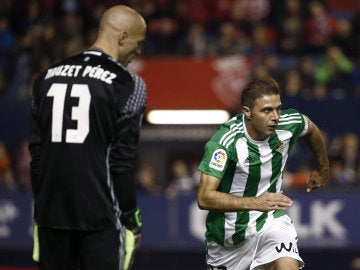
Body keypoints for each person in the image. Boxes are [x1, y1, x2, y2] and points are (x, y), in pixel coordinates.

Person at [29, 5, 147, 270]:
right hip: (101, 220)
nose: (139, 51)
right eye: (139, 43)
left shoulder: (45, 77)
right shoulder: (129, 84)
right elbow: (122, 161)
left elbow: (36, 155)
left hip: (50, 219)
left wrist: (41, 209)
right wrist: (130, 217)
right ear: (122, 36)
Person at [197, 78, 329, 270]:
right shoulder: (225, 142)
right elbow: (204, 197)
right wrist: (256, 202)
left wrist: (323, 168)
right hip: (228, 242)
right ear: (247, 112)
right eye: (266, 110)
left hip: (270, 222)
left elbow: (311, 130)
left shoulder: (287, 123)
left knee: (287, 265)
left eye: (278, 108)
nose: (275, 116)